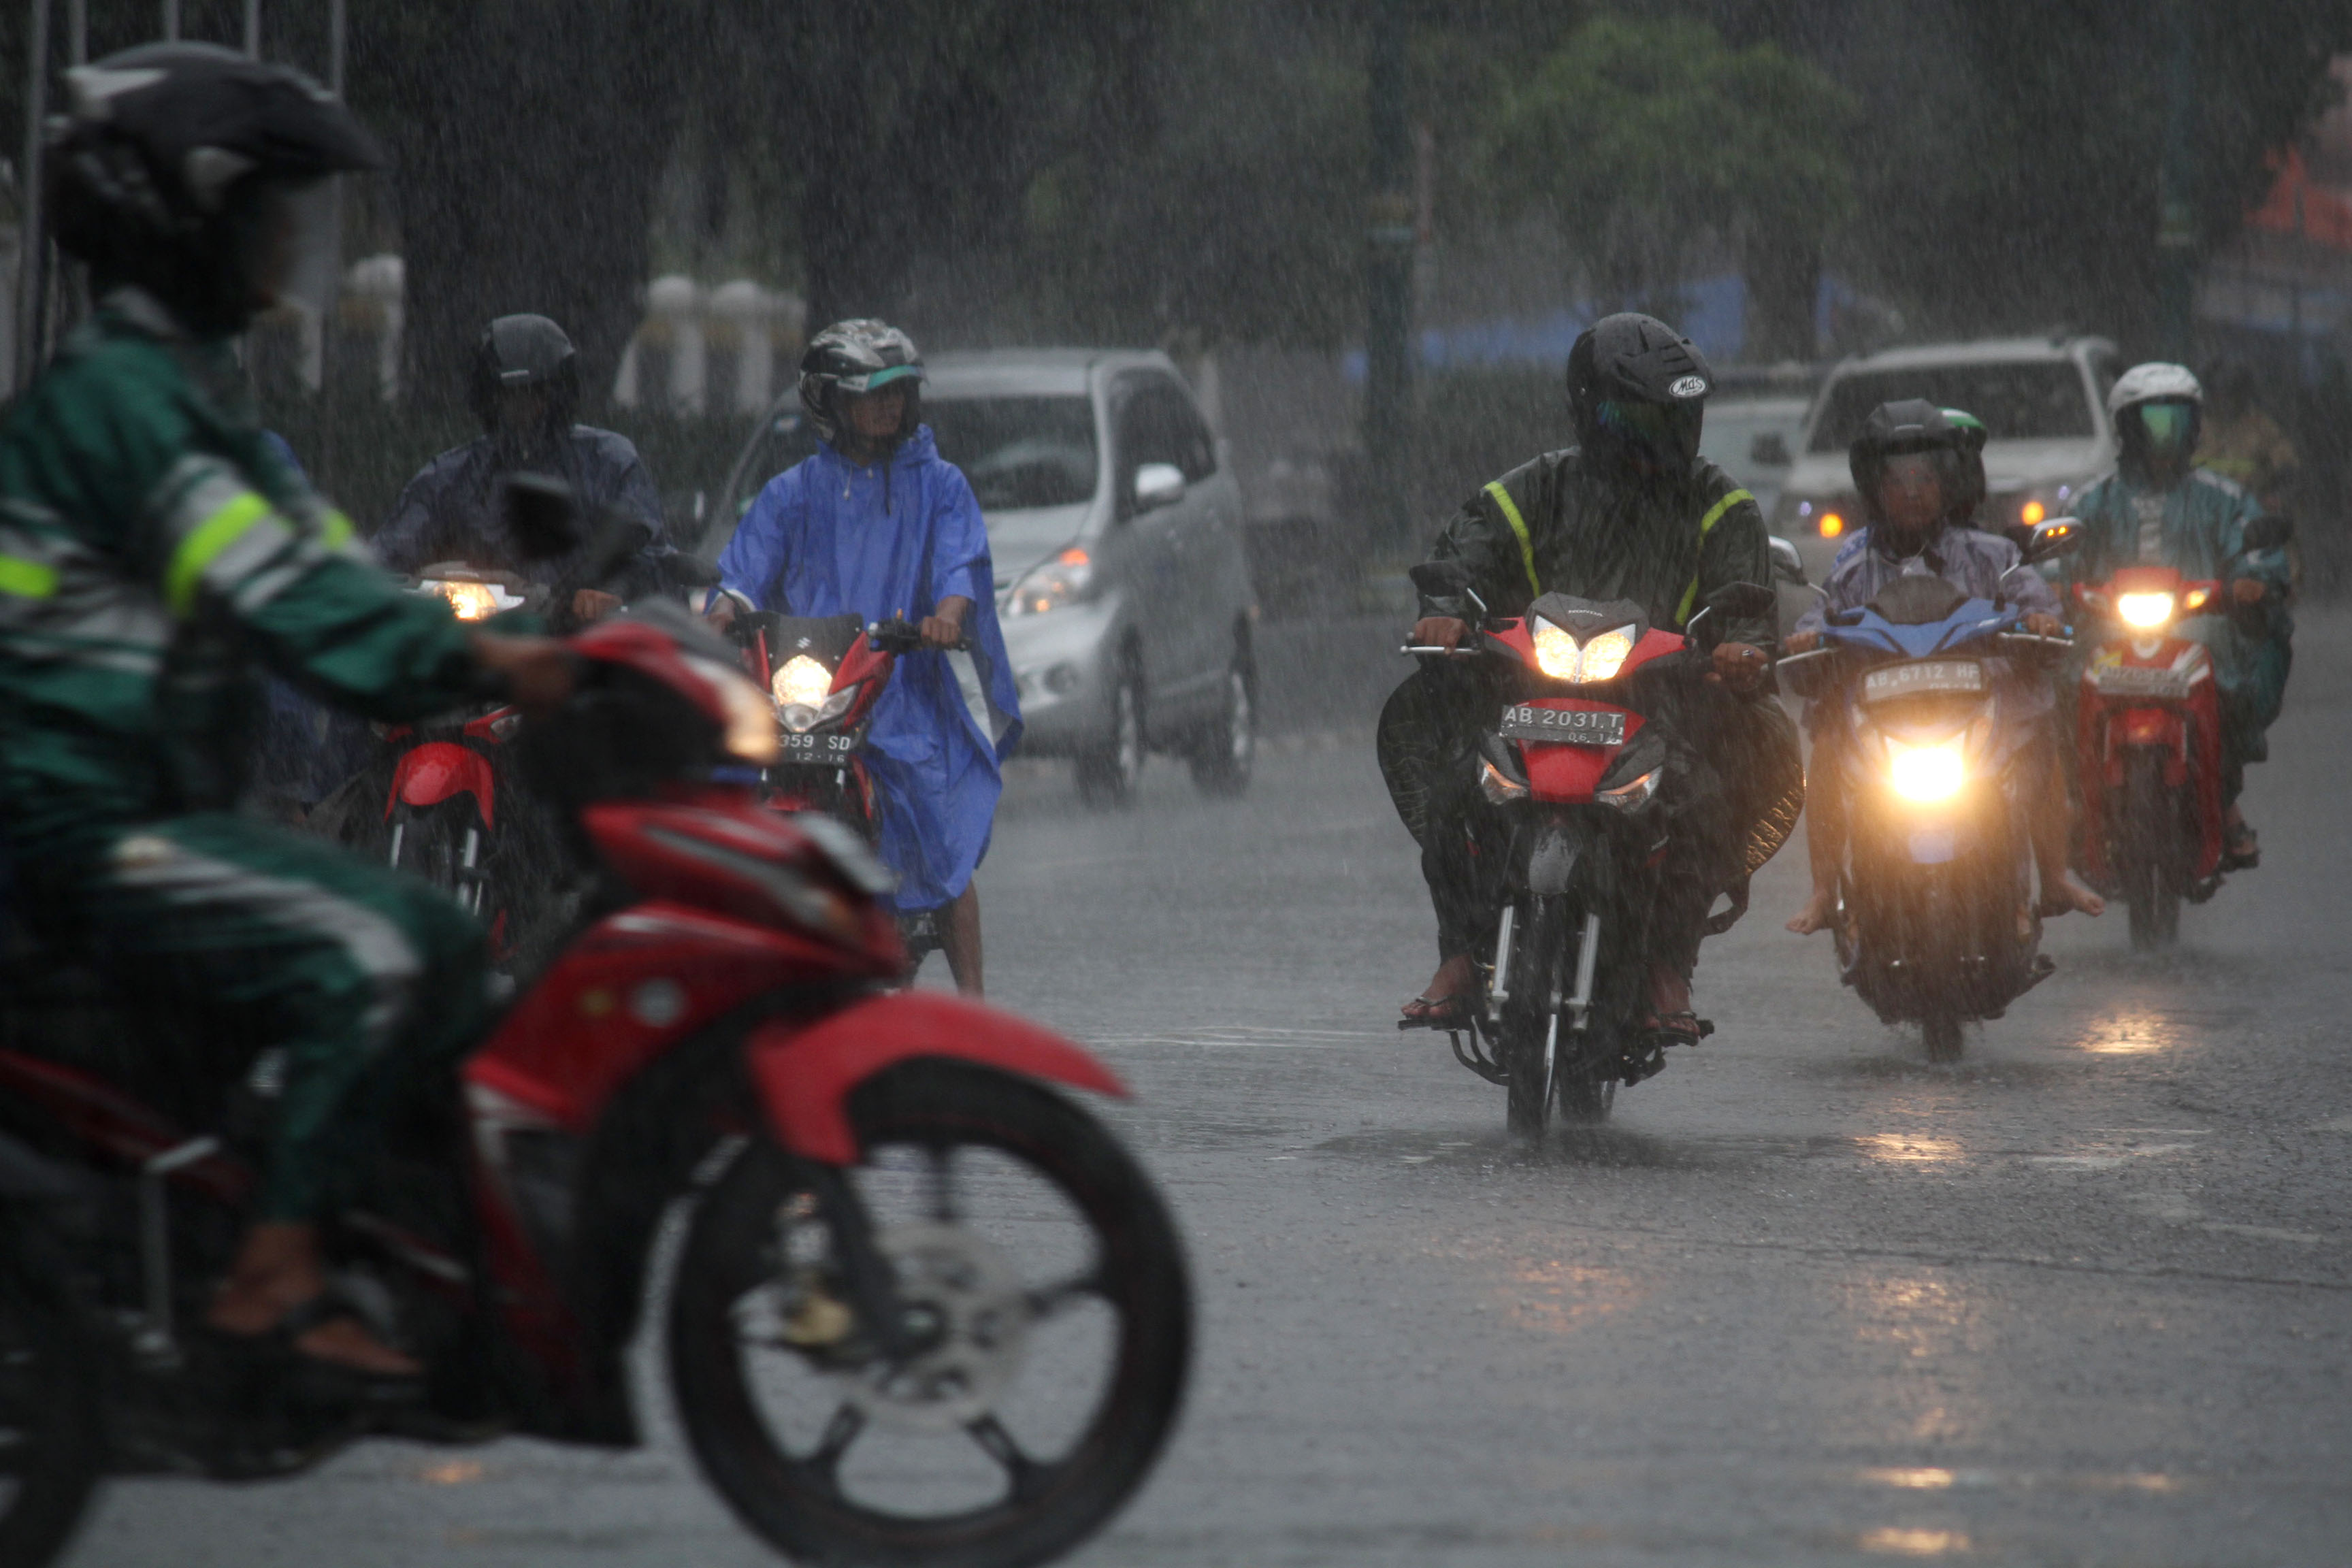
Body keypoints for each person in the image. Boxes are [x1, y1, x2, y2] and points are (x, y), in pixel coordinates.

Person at [0, 44, 574, 1382]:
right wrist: (509, 667)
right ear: (182, 221)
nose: (286, 241)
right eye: (266, 208)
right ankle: (274, 1275)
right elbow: (299, 600)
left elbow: (319, 566)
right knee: (401, 942)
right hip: (84, 828)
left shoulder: (182, 395)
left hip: (131, 804)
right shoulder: (128, 407)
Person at [1380, 312, 1803, 1044]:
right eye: (1642, 413)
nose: (1663, 430)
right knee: (1457, 792)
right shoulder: (1529, 491)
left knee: (1701, 803)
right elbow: (1460, 556)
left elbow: (1748, 601)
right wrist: (1444, 611)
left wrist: (1738, 648)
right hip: (1529, 699)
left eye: (1676, 413)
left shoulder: (1722, 504)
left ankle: (1669, 967)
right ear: (1594, 410)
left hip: (1665, 708)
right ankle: (1457, 955)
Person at [706, 319, 1020, 995]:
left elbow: (959, 564)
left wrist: (944, 618)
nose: (886, 408)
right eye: (870, 394)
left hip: (905, 692)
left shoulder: (941, 486)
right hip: (807, 687)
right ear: (828, 400)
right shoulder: (793, 491)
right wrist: (723, 612)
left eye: (898, 394)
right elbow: (742, 571)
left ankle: (975, 1009)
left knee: (945, 858)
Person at [1783, 402, 2104, 936]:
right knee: (1829, 745)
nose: (1912, 491)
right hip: (1881, 716)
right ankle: (1824, 892)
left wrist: (2043, 621)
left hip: (1979, 709)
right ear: (1874, 487)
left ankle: (2052, 877)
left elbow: (2036, 600)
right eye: (1897, 479)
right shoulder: (1852, 564)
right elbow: (1822, 613)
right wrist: (1808, 634)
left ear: (1948, 482)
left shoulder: (1992, 554)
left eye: (1925, 478)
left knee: (2040, 736)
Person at [2063, 363, 2290, 867]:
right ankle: (2077, 803)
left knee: (2241, 677)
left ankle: (2223, 800)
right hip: (2105, 632)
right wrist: (2046, 592)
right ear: (2126, 428)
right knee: (2055, 682)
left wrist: (2252, 583)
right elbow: (2058, 556)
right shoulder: (2091, 500)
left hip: (2201, 629)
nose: (2164, 435)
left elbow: (2254, 549)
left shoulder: (2224, 498)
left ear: (2195, 426)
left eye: (2176, 421)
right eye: (2151, 422)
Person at [374, 314, 670, 623]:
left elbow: (650, 555)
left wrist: (609, 591)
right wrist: (385, 583)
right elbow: (389, 552)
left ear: (561, 396)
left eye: (536, 394)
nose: (524, 408)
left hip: (576, 646)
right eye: (509, 397)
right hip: (471, 641)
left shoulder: (609, 462)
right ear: (487, 400)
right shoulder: (449, 476)